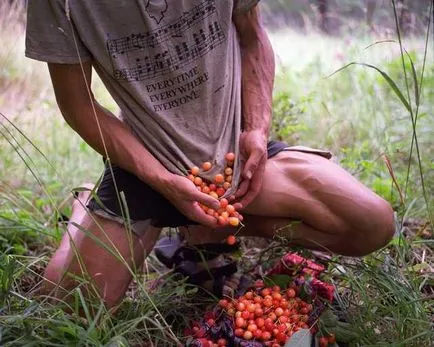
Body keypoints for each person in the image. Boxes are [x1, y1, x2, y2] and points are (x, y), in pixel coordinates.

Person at [25, 0, 395, 309]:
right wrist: (161, 180)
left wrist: (256, 129)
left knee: (371, 224)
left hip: (232, 157)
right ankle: (86, 206)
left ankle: (206, 225)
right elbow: (77, 103)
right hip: (143, 166)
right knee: (69, 307)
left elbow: (252, 38)